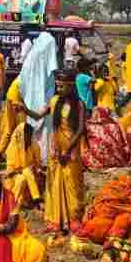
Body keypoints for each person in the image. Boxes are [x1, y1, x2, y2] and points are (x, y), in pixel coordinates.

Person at [32, 74, 86, 232]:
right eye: (57, 86)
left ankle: (74, 218)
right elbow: (38, 115)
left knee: (72, 184)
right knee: (54, 183)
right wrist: (24, 109)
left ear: (71, 86)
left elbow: (81, 128)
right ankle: (56, 219)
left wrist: (68, 150)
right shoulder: (54, 101)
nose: (59, 89)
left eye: (62, 86)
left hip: (71, 149)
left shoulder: (79, 104)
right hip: (56, 149)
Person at [79, 173, 131, 243]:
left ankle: (114, 240)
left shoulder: (126, 197)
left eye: (129, 188)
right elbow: (104, 210)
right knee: (127, 217)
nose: (128, 190)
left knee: (127, 217)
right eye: (125, 186)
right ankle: (114, 240)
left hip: (95, 228)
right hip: (102, 229)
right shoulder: (108, 192)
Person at [3, 122, 42, 207]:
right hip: (14, 178)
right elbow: (11, 172)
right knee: (22, 179)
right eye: (26, 136)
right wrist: (25, 170)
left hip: (31, 175)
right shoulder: (12, 148)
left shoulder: (34, 145)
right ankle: (14, 202)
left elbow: (38, 163)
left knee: (27, 173)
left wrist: (36, 169)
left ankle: (33, 198)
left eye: (30, 135)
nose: (28, 138)